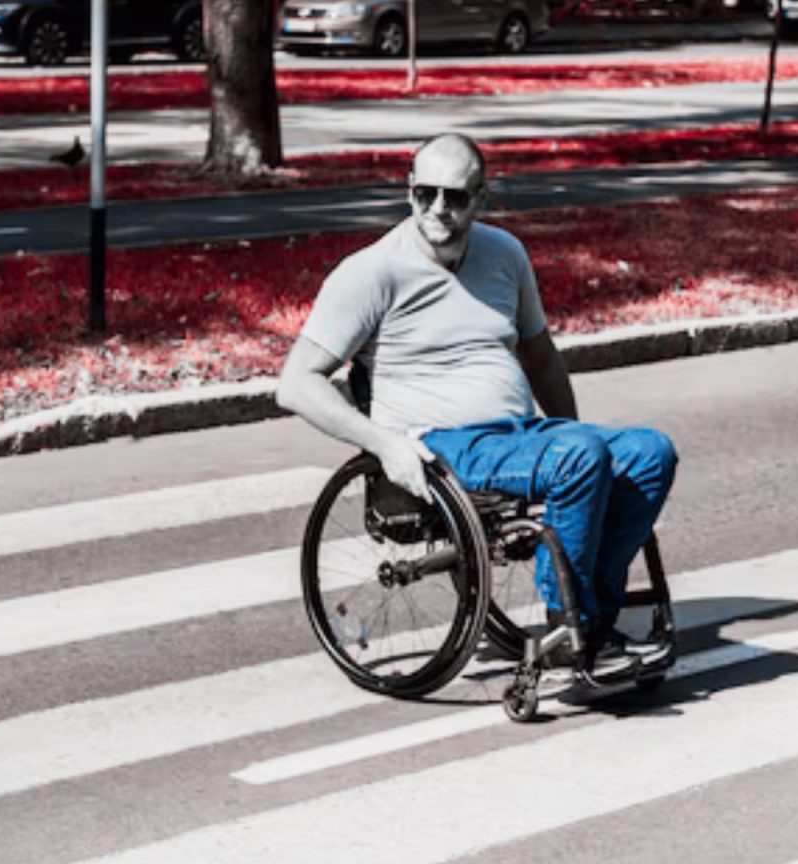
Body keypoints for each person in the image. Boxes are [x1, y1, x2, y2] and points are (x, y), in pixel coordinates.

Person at [276, 133, 677, 677]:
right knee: (581, 455)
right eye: (426, 194)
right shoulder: (370, 273)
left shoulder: (504, 253)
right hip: (442, 443)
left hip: (521, 434)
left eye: (456, 197)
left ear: (481, 197)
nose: (439, 209)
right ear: (408, 190)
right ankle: (568, 623)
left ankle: (593, 616)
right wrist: (384, 444)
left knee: (650, 452)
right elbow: (296, 384)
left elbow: (541, 357)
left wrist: (576, 443)